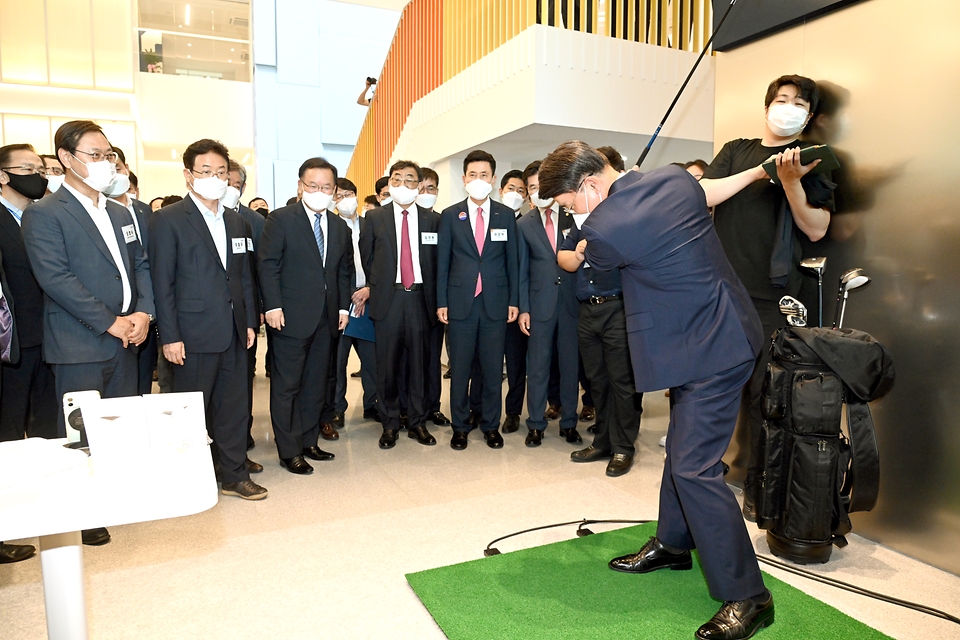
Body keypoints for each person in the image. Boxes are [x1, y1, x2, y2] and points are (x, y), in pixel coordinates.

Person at [539, 141, 773, 640]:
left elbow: (591, 258)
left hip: (715, 347)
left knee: (694, 466)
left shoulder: (603, 230)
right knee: (684, 451)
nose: (571, 213)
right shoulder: (672, 177)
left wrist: (582, 240)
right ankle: (672, 544)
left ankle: (749, 595)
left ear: (588, 186)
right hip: (707, 336)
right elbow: (707, 190)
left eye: (566, 204)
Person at [699, 75, 834, 521]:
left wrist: (792, 181)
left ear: (809, 116)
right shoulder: (738, 150)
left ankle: (758, 487)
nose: (788, 107)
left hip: (774, 299)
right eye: (781, 99)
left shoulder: (817, 158)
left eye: (799, 103)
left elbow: (816, 229)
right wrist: (764, 170)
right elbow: (703, 194)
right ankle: (701, 477)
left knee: (765, 400)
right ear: (767, 106)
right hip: (720, 291)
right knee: (708, 393)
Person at [22, 120, 155, 547]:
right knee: (80, 433)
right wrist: (109, 321)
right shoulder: (44, 213)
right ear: (65, 158)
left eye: (108, 155)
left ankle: (113, 497)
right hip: (81, 341)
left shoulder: (120, 211)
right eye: (94, 156)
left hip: (127, 337)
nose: (104, 163)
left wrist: (143, 313)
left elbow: (141, 266)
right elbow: (55, 278)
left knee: (118, 426)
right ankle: (84, 512)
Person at [150, 139, 266, 500]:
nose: (215, 179)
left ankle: (233, 474)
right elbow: (162, 283)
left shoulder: (236, 220)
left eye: (220, 173)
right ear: (188, 175)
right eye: (205, 172)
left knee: (233, 408)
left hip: (233, 331)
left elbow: (243, 276)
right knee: (191, 412)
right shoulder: (167, 220)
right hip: (192, 334)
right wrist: (169, 335)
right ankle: (191, 477)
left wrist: (248, 322)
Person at [259, 157, 352, 475]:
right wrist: (272, 305)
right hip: (289, 318)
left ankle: (309, 440)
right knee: (287, 386)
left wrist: (342, 308)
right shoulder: (281, 219)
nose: (319, 191)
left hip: (327, 320)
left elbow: (343, 271)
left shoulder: (339, 226)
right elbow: (268, 264)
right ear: (300, 186)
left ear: (334, 190)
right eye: (313, 186)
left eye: (326, 187)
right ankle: (289, 450)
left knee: (315, 385)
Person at [555, 155, 643, 477]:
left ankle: (623, 447)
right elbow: (563, 258)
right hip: (586, 311)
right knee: (597, 381)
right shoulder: (575, 226)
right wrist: (577, 251)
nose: (570, 210)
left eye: (570, 203)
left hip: (617, 308)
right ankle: (603, 439)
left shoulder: (618, 218)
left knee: (622, 381)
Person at [437, 150, 519, 450]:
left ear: (494, 179)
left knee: (492, 368)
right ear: (463, 179)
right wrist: (441, 301)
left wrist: (514, 300)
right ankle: (460, 426)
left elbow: (514, 262)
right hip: (460, 303)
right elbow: (442, 263)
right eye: (473, 175)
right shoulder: (450, 215)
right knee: (459, 368)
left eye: (484, 175)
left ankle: (489, 425)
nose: (478, 180)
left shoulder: (505, 215)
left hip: (496, 303)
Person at [360, 161, 440, 449]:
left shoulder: (433, 220)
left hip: (421, 300)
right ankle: (390, 424)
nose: (402, 185)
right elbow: (368, 259)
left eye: (409, 179)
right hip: (388, 299)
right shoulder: (374, 218)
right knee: (388, 366)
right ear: (390, 183)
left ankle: (417, 422)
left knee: (420, 365)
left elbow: (437, 263)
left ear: (419, 185)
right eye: (397, 179)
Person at [516, 161, 583, 447]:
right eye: (532, 187)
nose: (538, 191)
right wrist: (524, 308)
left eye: (542, 185)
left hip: (570, 305)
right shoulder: (523, 224)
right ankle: (535, 424)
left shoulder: (573, 217)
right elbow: (521, 270)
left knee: (570, 367)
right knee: (539, 366)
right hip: (539, 306)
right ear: (529, 193)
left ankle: (569, 422)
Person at [0, 144, 58, 442]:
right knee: (10, 424)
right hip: (12, 344)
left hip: (52, 338)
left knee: (49, 424)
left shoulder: (45, 217)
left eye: (40, 170)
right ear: (3, 176)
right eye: (27, 169)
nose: (37, 176)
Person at [105, 146, 157, 396]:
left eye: (118, 167)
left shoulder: (142, 210)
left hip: (145, 311)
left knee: (142, 381)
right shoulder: (101, 212)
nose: (114, 173)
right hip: (111, 317)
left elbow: (145, 261)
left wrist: (147, 310)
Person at [331, 177, 380, 429]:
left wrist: (369, 289)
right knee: (338, 361)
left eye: (348, 194)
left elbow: (383, 260)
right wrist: (353, 293)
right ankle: (337, 408)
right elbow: (333, 269)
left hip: (371, 299)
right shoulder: (330, 227)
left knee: (372, 359)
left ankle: (372, 404)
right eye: (338, 196)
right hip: (342, 301)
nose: (344, 200)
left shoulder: (371, 224)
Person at [224, 160, 265, 452]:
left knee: (243, 378)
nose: (227, 187)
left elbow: (261, 269)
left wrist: (260, 308)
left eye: (234, 184)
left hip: (245, 315)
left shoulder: (255, 221)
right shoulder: (180, 219)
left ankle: (242, 433)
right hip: (204, 319)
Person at [417, 167, 450, 427]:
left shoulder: (443, 221)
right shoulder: (402, 220)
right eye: (421, 187)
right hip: (408, 300)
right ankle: (410, 407)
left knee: (432, 357)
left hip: (435, 302)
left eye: (431, 188)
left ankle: (433, 406)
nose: (425, 193)